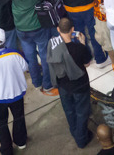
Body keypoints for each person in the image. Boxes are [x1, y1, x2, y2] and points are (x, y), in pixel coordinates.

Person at [8, 0, 58, 95]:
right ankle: (47, 84)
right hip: (37, 26)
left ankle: (36, 82)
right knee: (44, 54)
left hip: (20, 27)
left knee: (30, 55)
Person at [47, 17, 94, 148]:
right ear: (72, 30)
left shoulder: (52, 44)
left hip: (63, 86)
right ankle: (81, 139)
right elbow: (87, 63)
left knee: (69, 111)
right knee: (81, 112)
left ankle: (74, 131)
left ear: (58, 30)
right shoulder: (79, 48)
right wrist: (83, 44)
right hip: (80, 86)